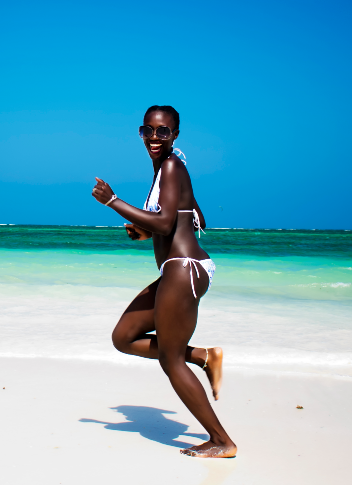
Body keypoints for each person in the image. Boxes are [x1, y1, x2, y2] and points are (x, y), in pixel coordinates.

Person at [91, 105, 237, 458]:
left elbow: (168, 220)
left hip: (183, 270)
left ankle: (222, 441)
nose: (155, 138)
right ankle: (203, 356)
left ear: (175, 135)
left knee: (170, 362)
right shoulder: (167, 171)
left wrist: (113, 201)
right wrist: (148, 230)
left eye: (163, 132)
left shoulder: (171, 166)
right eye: (148, 131)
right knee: (123, 337)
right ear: (141, 133)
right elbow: (195, 217)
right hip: (180, 269)